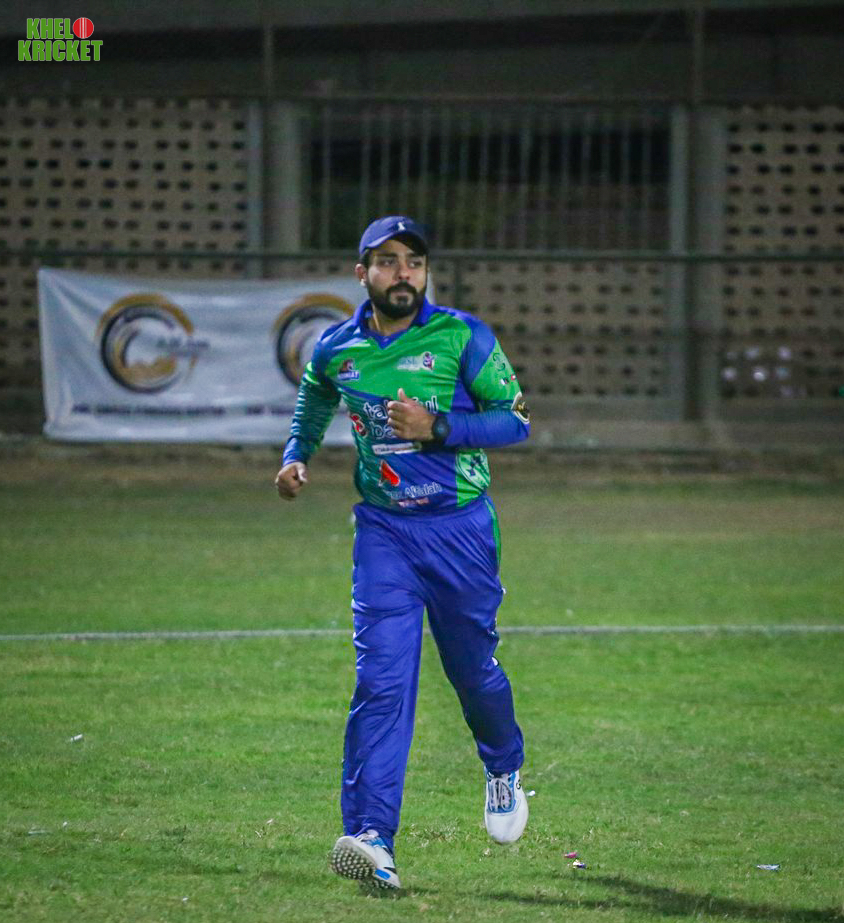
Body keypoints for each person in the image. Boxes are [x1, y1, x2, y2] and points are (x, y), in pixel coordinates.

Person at [275, 215, 530, 891]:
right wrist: (297, 454)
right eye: (387, 261)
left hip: (460, 529)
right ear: (362, 273)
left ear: (425, 273)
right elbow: (315, 396)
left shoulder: (462, 337)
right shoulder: (337, 348)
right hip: (384, 533)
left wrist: (437, 426)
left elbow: (515, 420)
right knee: (381, 682)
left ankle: (503, 764)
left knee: (472, 672)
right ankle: (371, 837)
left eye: (413, 261)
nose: (402, 273)